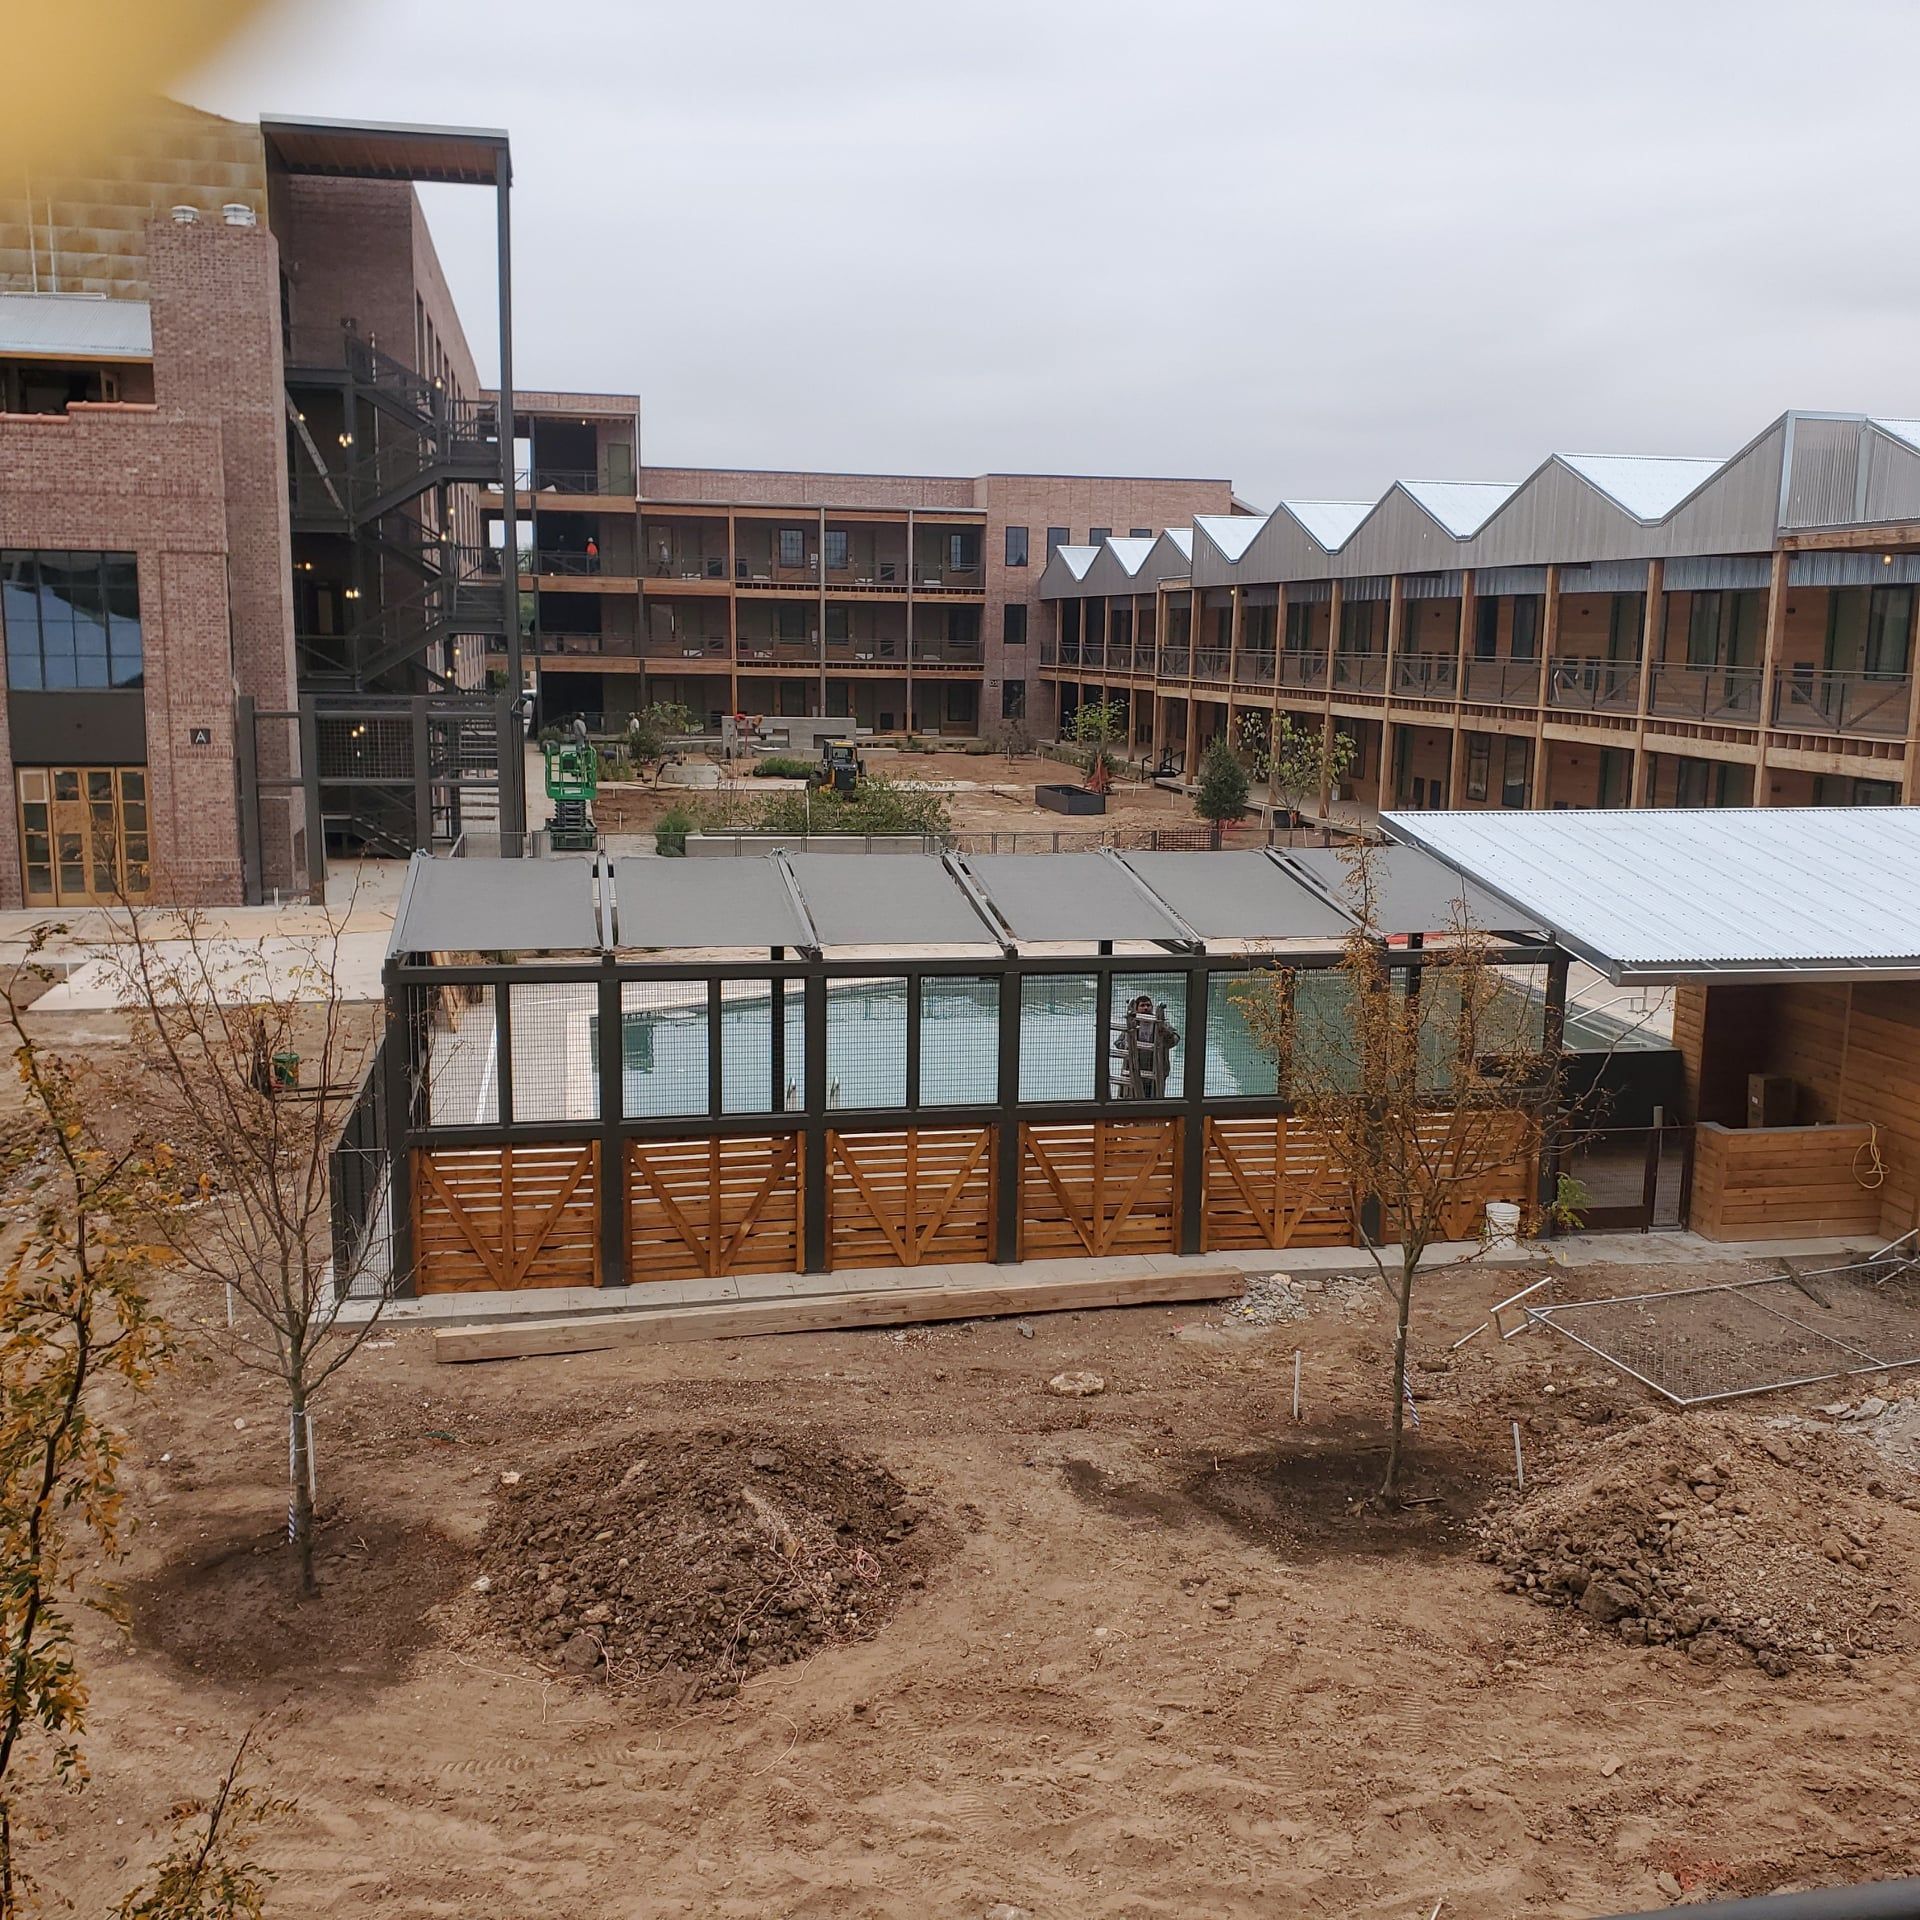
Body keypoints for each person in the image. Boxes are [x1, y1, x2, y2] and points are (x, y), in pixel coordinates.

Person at [1113, 994, 1179, 1099]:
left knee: (1155, 1100)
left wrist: (1166, 1033)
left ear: (1152, 1007)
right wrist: (1128, 1044)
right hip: (1134, 1070)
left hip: (1157, 1070)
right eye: (1142, 1005)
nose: (1146, 1008)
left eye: (1148, 1005)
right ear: (1136, 1008)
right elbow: (1118, 1043)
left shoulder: (1161, 1024)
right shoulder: (1131, 1024)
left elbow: (1175, 1040)